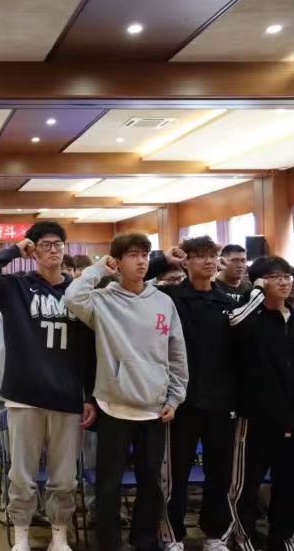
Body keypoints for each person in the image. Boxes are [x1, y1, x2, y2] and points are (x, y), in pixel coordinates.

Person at [0, 221, 96, 551]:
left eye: (58, 244)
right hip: (24, 395)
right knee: (22, 475)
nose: (53, 250)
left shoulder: (77, 293)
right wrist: (14, 249)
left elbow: (90, 350)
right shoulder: (16, 287)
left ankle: (59, 534)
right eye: (45, 244)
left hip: (67, 396)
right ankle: (22, 534)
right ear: (34, 250)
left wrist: (89, 395)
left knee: (64, 476)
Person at [65, 232, 188, 551]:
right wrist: (98, 269)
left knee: (151, 483)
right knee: (108, 485)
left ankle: (144, 540)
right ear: (117, 262)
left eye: (145, 254)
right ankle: (108, 543)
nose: (142, 261)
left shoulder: (163, 301)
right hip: (114, 406)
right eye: (133, 255)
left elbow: (176, 353)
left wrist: (175, 397)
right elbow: (73, 297)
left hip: (154, 408)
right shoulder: (102, 301)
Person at [145, 238, 238, 551]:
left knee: (219, 473)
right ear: (186, 262)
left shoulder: (228, 301)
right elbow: (132, 281)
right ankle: (172, 535)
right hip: (180, 400)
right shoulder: (169, 297)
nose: (209, 262)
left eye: (213, 256)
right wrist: (164, 260)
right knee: (176, 474)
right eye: (200, 256)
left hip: (221, 400)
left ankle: (215, 534)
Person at [228, 256, 294, 551]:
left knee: (289, 483)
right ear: (260, 281)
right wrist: (254, 292)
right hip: (255, 416)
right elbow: (234, 322)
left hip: (290, 416)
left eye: (287, 276)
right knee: (247, 484)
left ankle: (283, 536)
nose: (283, 282)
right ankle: (243, 536)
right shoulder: (249, 320)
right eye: (275, 276)